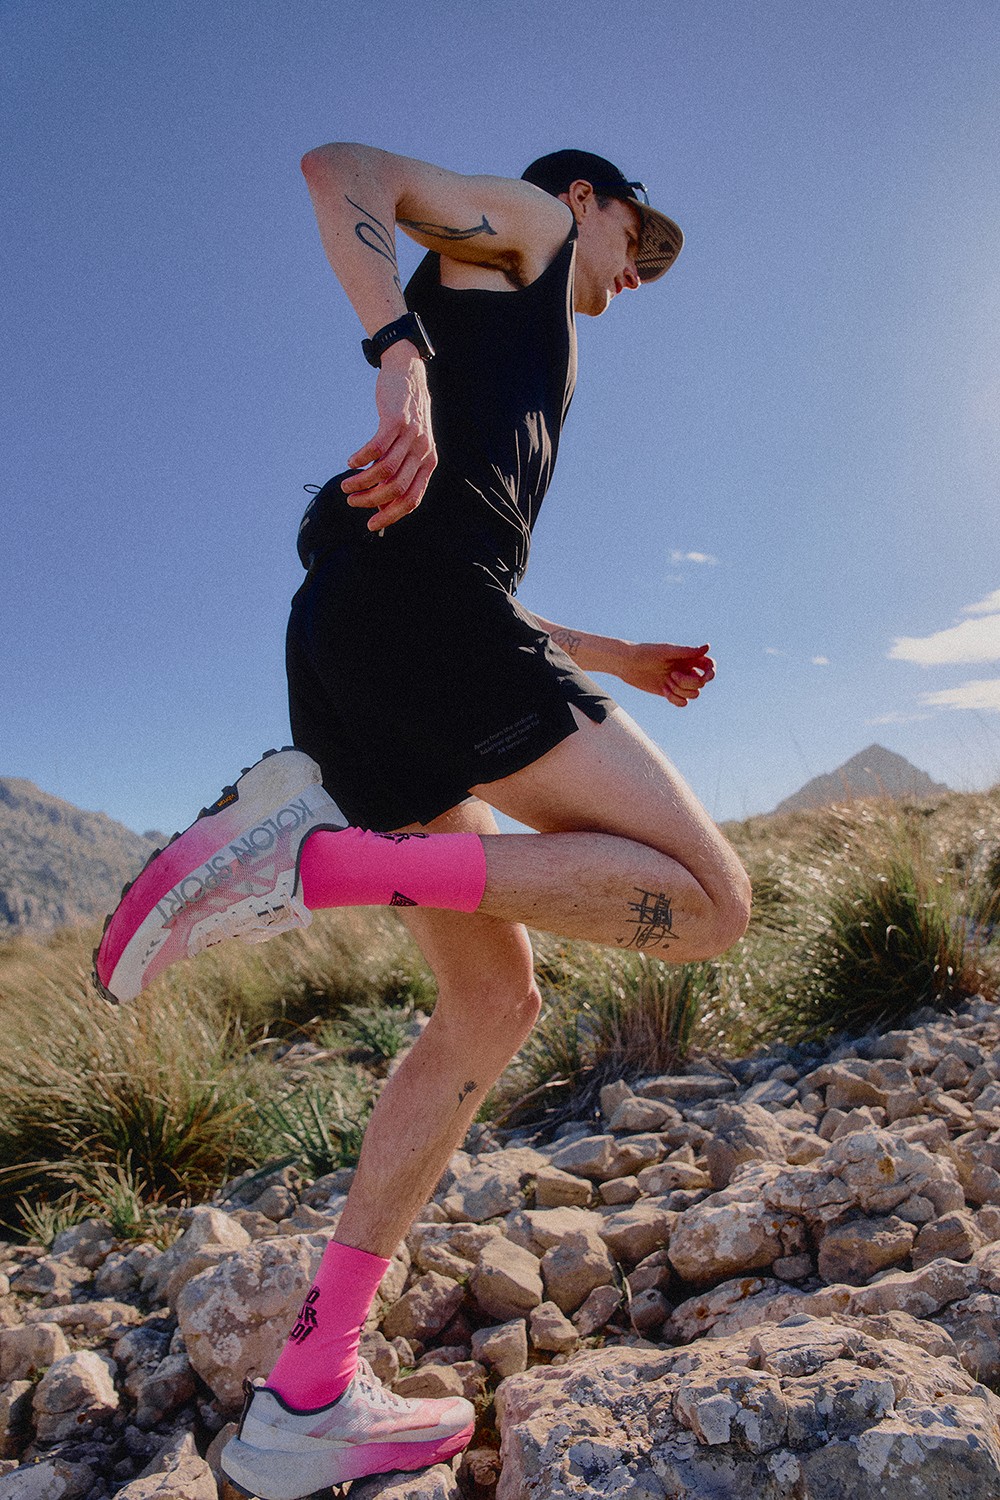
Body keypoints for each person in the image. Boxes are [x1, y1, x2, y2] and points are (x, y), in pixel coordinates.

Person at [95, 143, 752, 1498]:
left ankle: (309, 1393)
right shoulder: (532, 228)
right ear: (589, 199)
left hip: (369, 624)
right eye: (639, 237)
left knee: (493, 1003)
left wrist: (617, 659)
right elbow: (341, 169)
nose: (637, 274)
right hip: (422, 613)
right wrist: (394, 353)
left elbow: (471, 562)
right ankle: (329, 864)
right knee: (709, 904)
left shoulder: (517, 334)